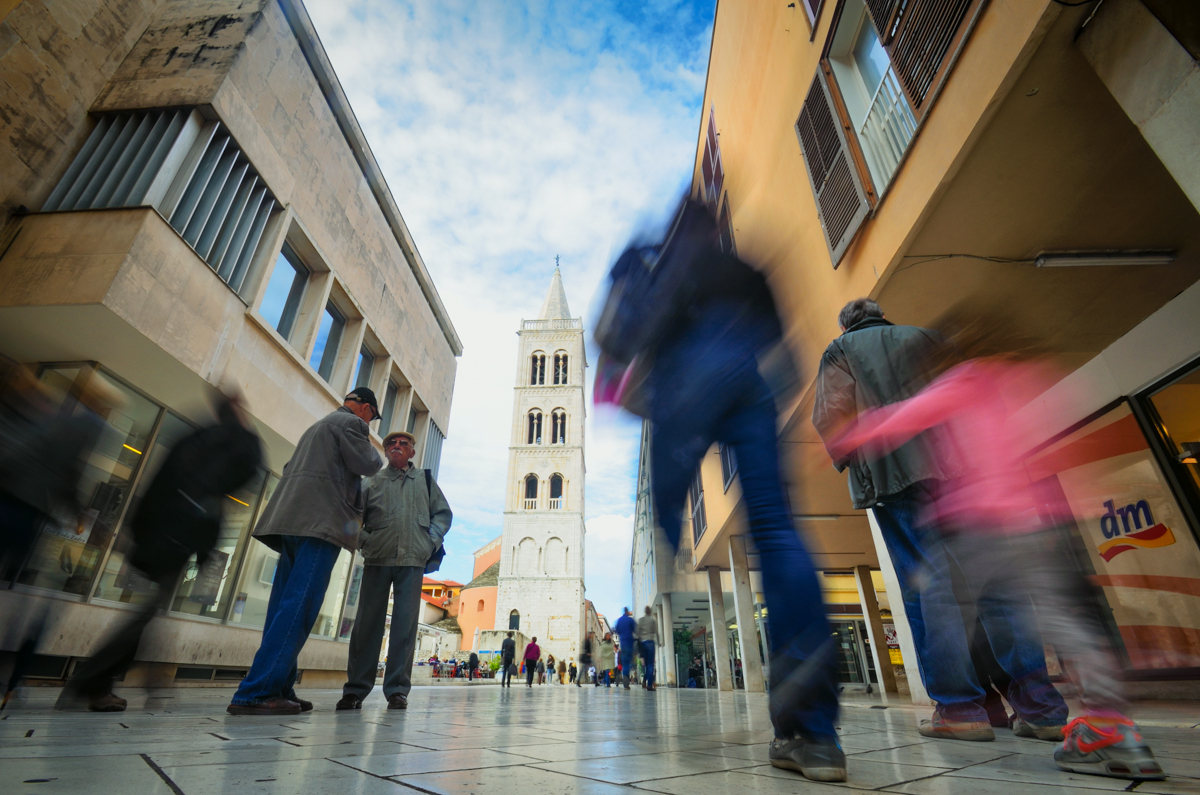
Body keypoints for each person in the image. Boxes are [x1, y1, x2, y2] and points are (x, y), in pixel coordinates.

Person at [828, 305, 1163, 780]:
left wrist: (849, 444)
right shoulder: (1004, 376)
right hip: (1022, 520)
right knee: (1025, 608)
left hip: (953, 508)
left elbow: (885, 416)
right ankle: (1058, 712)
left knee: (939, 597)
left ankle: (961, 710)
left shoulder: (864, 355)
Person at [596, 198, 843, 780]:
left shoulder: (649, 259)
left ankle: (665, 537)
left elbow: (614, 336)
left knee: (664, 516)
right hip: (750, 379)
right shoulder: (744, 268)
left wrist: (620, 385)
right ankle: (814, 736)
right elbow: (786, 356)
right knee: (780, 535)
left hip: (685, 377)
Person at [813, 298, 1067, 743]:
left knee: (931, 592)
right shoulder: (933, 340)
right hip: (964, 478)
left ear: (846, 324)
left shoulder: (840, 351)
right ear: (880, 313)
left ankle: (959, 708)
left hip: (896, 479)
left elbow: (833, 417)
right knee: (998, 590)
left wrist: (851, 456)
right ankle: (1041, 708)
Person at [62, 391, 262, 712]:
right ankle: (92, 681)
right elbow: (249, 468)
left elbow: (160, 481)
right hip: (178, 536)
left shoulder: (195, 438)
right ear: (236, 411)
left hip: (159, 533)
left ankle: (128, 680)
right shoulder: (228, 443)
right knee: (146, 613)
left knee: (150, 611)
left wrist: (138, 529)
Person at [228, 389, 382, 715]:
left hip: (292, 522)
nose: (370, 422)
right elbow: (369, 463)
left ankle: (281, 686)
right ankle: (257, 692)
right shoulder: (351, 424)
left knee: (283, 608)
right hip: (320, 523)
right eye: (372, 416)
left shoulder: (316, 427)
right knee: (300, 608)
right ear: (366, 409)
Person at [336, 428, 452, 712]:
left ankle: (397, 691)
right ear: (385, 451)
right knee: (366, 626)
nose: (397, 446)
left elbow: (443, 514)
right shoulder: (371, 482)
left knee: (404, 628)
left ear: (412, 451)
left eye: (404, 443)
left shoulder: (424, 481)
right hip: (377, 559)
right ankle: (355, 691)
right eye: (391, 443)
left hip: (412, 561)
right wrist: (364, 541)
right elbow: (351, 516)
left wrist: (431, 540)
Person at [637, 606, 659, 691]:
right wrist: (660, 642)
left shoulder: (640, 620)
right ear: (650, 612)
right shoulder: (652, 621)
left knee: (646, 665)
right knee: (650, 664)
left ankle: (644, 682)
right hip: (650, 641)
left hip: (642, 643)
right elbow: (656, 632)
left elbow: (638, 633)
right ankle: (649, 685)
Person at [614, 607, 637, 690]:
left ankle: (624, 681)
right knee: (632, 663)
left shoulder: (619, 620)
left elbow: (616, 630)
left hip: (623, 644)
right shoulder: (630, 620)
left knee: (625, 663)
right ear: (627, 612)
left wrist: (622, 634)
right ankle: (625, 679)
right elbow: (636, 630)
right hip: (630, 644)